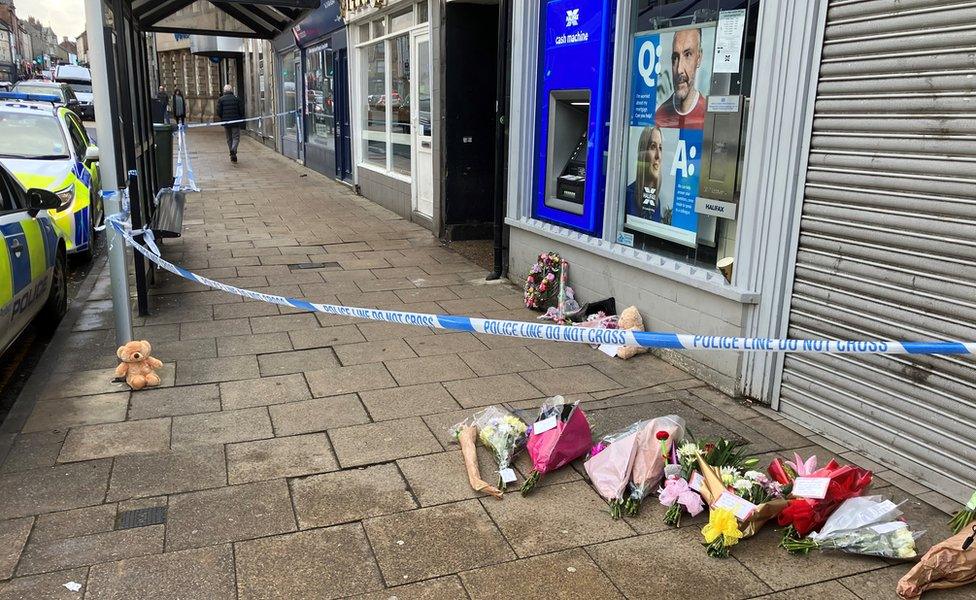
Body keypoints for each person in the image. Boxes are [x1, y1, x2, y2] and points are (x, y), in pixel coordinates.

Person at [654, 27, 707, 130]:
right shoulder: (660, 116)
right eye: (675, 58)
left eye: (687, 55)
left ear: (699, 58)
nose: (679, 69)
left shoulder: (707, 115)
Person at [626, 126, 666, 222]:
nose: (658, 156)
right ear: (642, 153)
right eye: (653, 146)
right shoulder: (629, 195)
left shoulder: (657, 202)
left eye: (660, 148)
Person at [215, 84, 244, 162]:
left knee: (229, 138)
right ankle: (233, 151)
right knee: (236, 137)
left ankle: (232, 152)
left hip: (226, 121)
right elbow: (241, 110)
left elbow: (218, 111)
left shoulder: (221, 99)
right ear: (232, 91)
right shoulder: (236, 99)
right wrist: (240, 118)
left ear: (224, 91)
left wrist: (223, 117)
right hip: (235, 121)